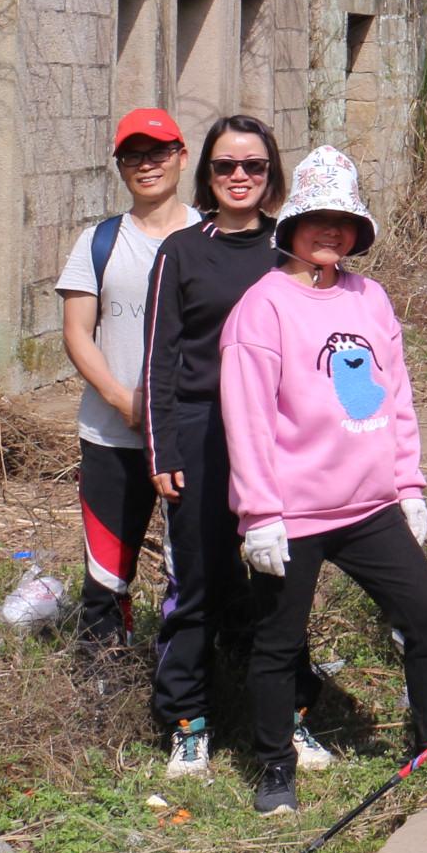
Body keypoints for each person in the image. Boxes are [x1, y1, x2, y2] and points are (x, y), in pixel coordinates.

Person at [219, 147, 427, 817]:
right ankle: (275, 766)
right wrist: (259, 514)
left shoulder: (370, 298)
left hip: (370, 506)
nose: (331, 231)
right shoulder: (262, 308)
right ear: (293, 225)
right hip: (293, 513)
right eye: (318, 218)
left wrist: (408, 486)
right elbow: (247, 419)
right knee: (278, 642)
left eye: (344, 220)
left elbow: (397, 396)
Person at [143, 114, 319, 777]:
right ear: (207, 174)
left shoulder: (291, 248)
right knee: (199, 579)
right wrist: (163, 451)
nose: (239, 176)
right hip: (203, 433)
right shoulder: (181, 252)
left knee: (281, 582)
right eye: (225, 166)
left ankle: (291, 715)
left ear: (272, 174)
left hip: (280, 435)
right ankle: (188, 720)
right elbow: (159, 361)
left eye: (253, 166)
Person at [57, 108, 196, 650]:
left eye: (158, 152)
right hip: (112, 433)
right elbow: (76, 332)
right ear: (119, 168)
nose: (147, 164)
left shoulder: (209, 237)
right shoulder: (99, 241)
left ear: (182, 157)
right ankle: (103, 666)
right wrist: (122, 400)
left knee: (196, 564)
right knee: (107, 569)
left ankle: (189, 669)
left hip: (189, 435)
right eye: (133, 156)